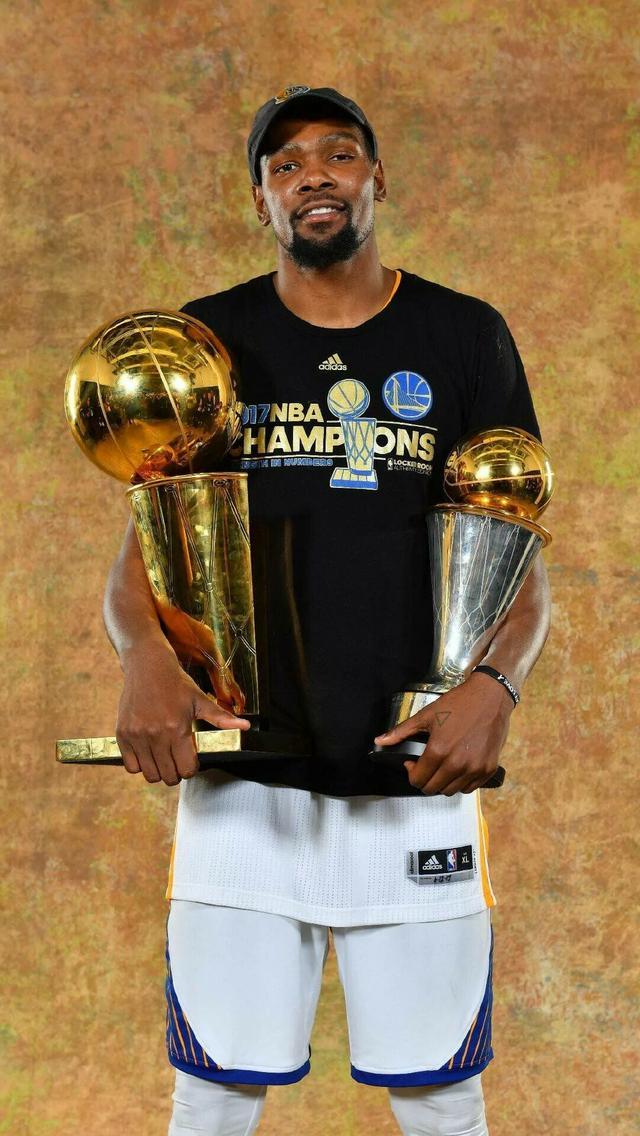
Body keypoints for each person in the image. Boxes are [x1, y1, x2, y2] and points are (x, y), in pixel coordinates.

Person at [104, 85, 551, 1136]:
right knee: (213, 1096)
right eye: (286, 163)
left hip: (412, 775)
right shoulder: (208, 338)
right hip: (245, 787)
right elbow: (146, 546)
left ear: (376, 179)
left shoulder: (462, 334)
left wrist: (495, 687)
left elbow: (517, 538)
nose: (314, 175)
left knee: (441, 1098)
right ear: (260, 198)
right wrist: (144, 661)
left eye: (338, 154)